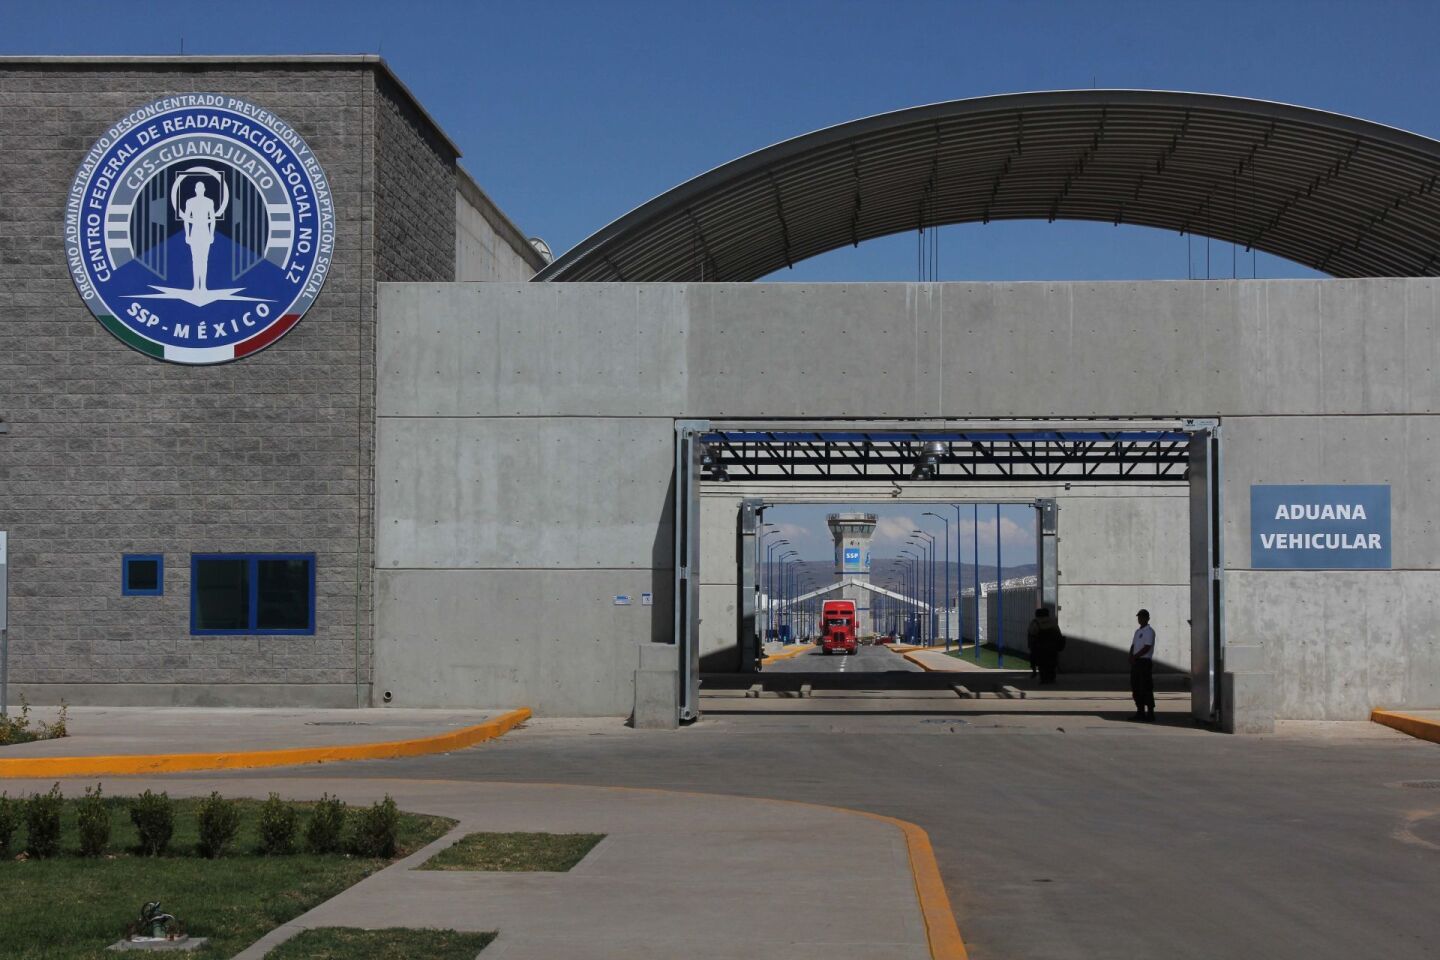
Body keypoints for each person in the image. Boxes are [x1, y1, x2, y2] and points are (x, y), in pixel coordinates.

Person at [1129, 609, 1156, 720]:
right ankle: (1140, 711)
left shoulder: (1149, 631)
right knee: (1136, 687)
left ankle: (1150, 713)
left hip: (1144, 661)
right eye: (1139, 617)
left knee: (1146, 687)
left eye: (1143, 617)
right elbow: (1133, 645)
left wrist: (1136, 656)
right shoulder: (1137, 631)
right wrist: (1131, 655)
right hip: (1136, 662)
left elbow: (1147, 647)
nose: (1140, 619)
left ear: (1148, 618)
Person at [1026, 606, 1064, 684]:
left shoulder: (1035, 622)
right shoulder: (1052, 622)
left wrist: (1031, 646)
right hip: (1052, 647)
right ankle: (1051, 678)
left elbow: (1031, 633)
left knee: (1041, 664)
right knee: (1052, 664)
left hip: (1040, 647)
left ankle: (1040, 676)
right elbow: (1059, 634)